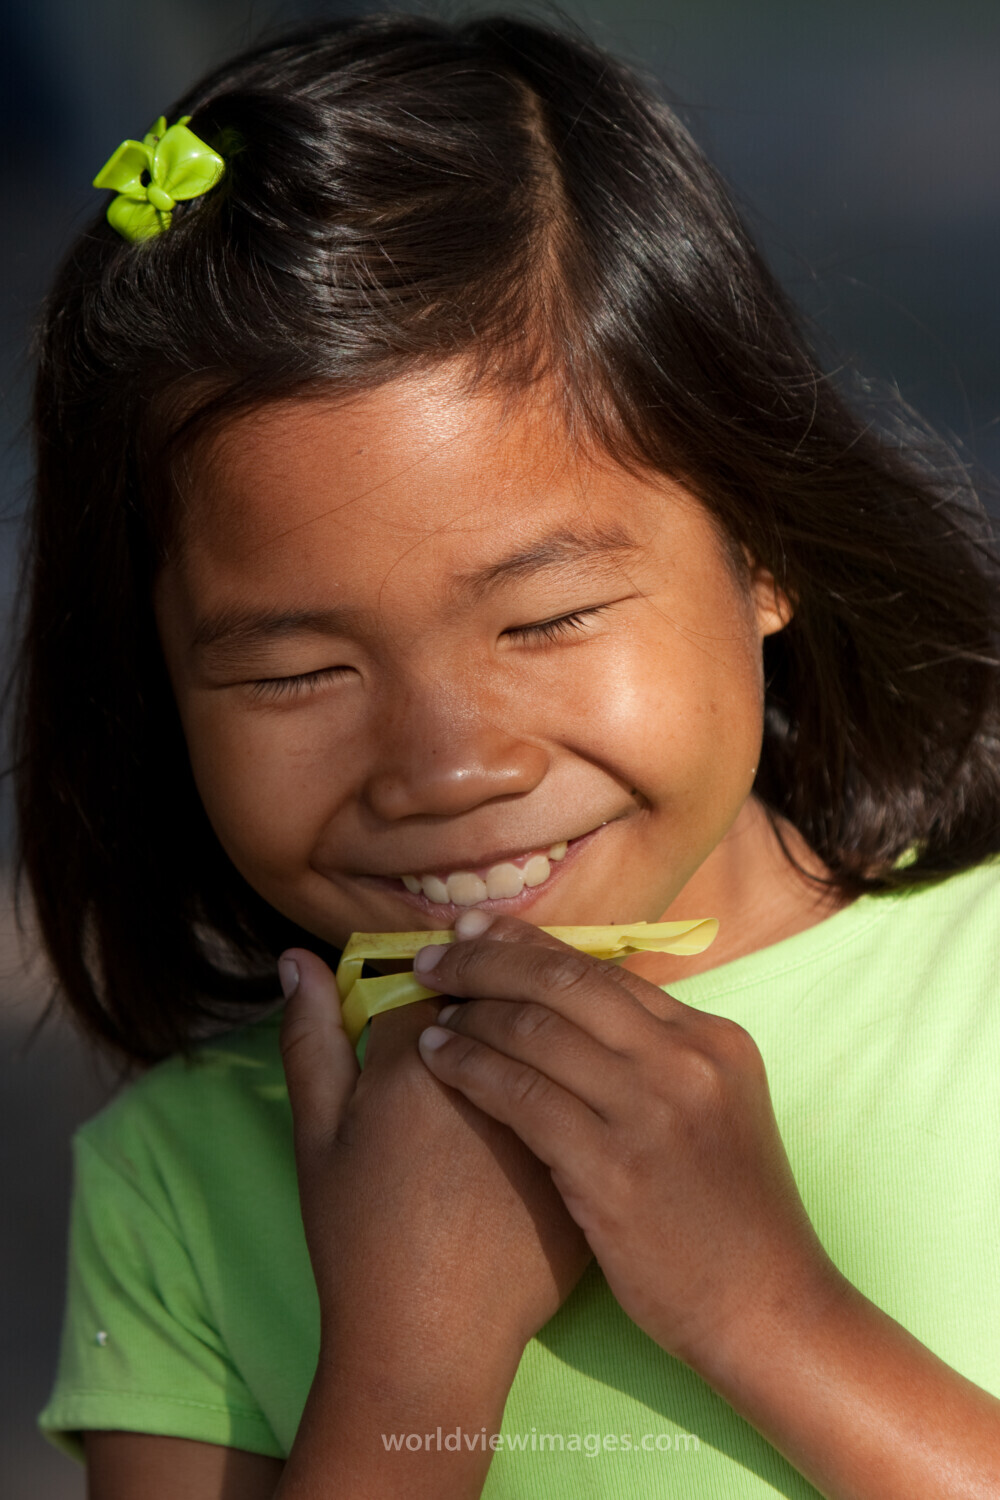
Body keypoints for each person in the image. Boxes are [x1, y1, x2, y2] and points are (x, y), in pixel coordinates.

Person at [20, 11, 1000, 1498]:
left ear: (764, 547)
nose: (445, 765)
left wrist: (764, 1309)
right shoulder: (186, 1187)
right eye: (299, 670)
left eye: (545, 620)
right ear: (157, 687)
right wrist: (410, 1375)